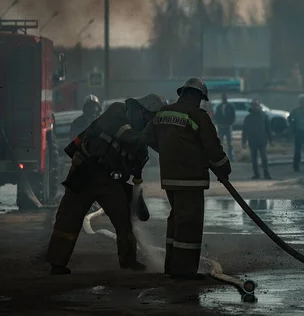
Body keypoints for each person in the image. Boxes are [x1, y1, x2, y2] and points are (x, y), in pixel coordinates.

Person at [46, 94, 167, 275]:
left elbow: (136, 169)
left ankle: (129, 261)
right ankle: (57, 262)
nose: (150, 122)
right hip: (86, 171)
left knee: (124, 219)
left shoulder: (141, 138)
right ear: (142, 109)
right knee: (69, 217)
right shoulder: (118, 110)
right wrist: (148, 137)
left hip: (109, 180)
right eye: (149, 117)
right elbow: (126, 135)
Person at [141, 78, 231, 280]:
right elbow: (212, 146)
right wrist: (223, 166)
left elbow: (147, 137)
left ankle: (172, 267)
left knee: (176, 221)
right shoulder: (198, 115)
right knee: (189, 225)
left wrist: (166, 151)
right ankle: (185, 271)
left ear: (182, 93)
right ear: (197, 96)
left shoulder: (162, 114)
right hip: (191, 178)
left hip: (170, 178)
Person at [242, 99, 272, 180]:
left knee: (264, 158)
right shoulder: (249, 117)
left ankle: (266, 174)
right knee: (254, 159)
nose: (255, 107)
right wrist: (243, 141)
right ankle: (256, 174)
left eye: (256, 105)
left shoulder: (264, 116)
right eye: (254, 105)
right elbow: (245, 130)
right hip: (252, 140)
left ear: (259, 106)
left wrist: (270, 140)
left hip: (262, 140)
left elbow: (268, 129)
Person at [288, 94, 304, 172]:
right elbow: (289, 119)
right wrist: (293, 126)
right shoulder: (295, 111)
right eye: (302, 101)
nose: (303, 103)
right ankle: (296, 166)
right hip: (299, 132)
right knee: (298, 151)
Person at [213, 92, 236, 162]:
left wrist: (229, 124)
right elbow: (216, 116)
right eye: (223, 98)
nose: (224, 99)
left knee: (230, 143)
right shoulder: (219, 107)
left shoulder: (230, 106)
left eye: (225, 97)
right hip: (221, 127)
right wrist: (218, 124)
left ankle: (231, 157)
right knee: (220, 143)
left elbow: (233, 116)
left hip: (228, 127)